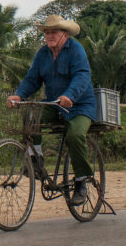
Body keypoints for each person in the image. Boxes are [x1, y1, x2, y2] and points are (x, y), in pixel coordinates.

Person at [7, 14, 96, 205]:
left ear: (64, 34)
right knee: (31, 116)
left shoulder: (76, 50)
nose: (49, 36)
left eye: (53, 32)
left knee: (75, 136)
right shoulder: (43, 54)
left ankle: (81, 181)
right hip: (53, 104)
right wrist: (19, 95)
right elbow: (32, 79)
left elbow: (82, 75)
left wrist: (70, 95)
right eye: (46, 32)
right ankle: (36, 160)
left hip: (80, 106)